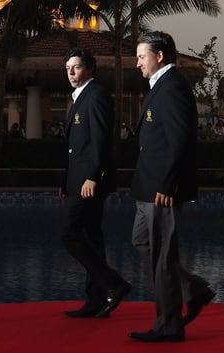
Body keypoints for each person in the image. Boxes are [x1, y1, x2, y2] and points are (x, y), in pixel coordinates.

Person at [129, 32, 215, 343]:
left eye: (142, 56)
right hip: (148, 187)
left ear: (160, 56)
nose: (137, 63)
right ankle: (195, 289)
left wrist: (168, 184)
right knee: (142, 241)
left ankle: (169, 325)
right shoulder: (161, 87)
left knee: (163, 258)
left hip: (161, 188)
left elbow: (181, 140)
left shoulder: (173, 87)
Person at [60, 48, 131, 319]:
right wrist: (66, 182)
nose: (70, 72)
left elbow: (101, 140)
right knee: (91, 237)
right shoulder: (80, 98)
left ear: (90, 69)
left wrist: (93, 176)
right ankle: (97, 300)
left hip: (90, 180)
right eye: (67, 67)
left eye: (76, 67)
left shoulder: (97, 95)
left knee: (69, 234)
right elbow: (75, 148)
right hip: (78, 180)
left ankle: (114, 283)